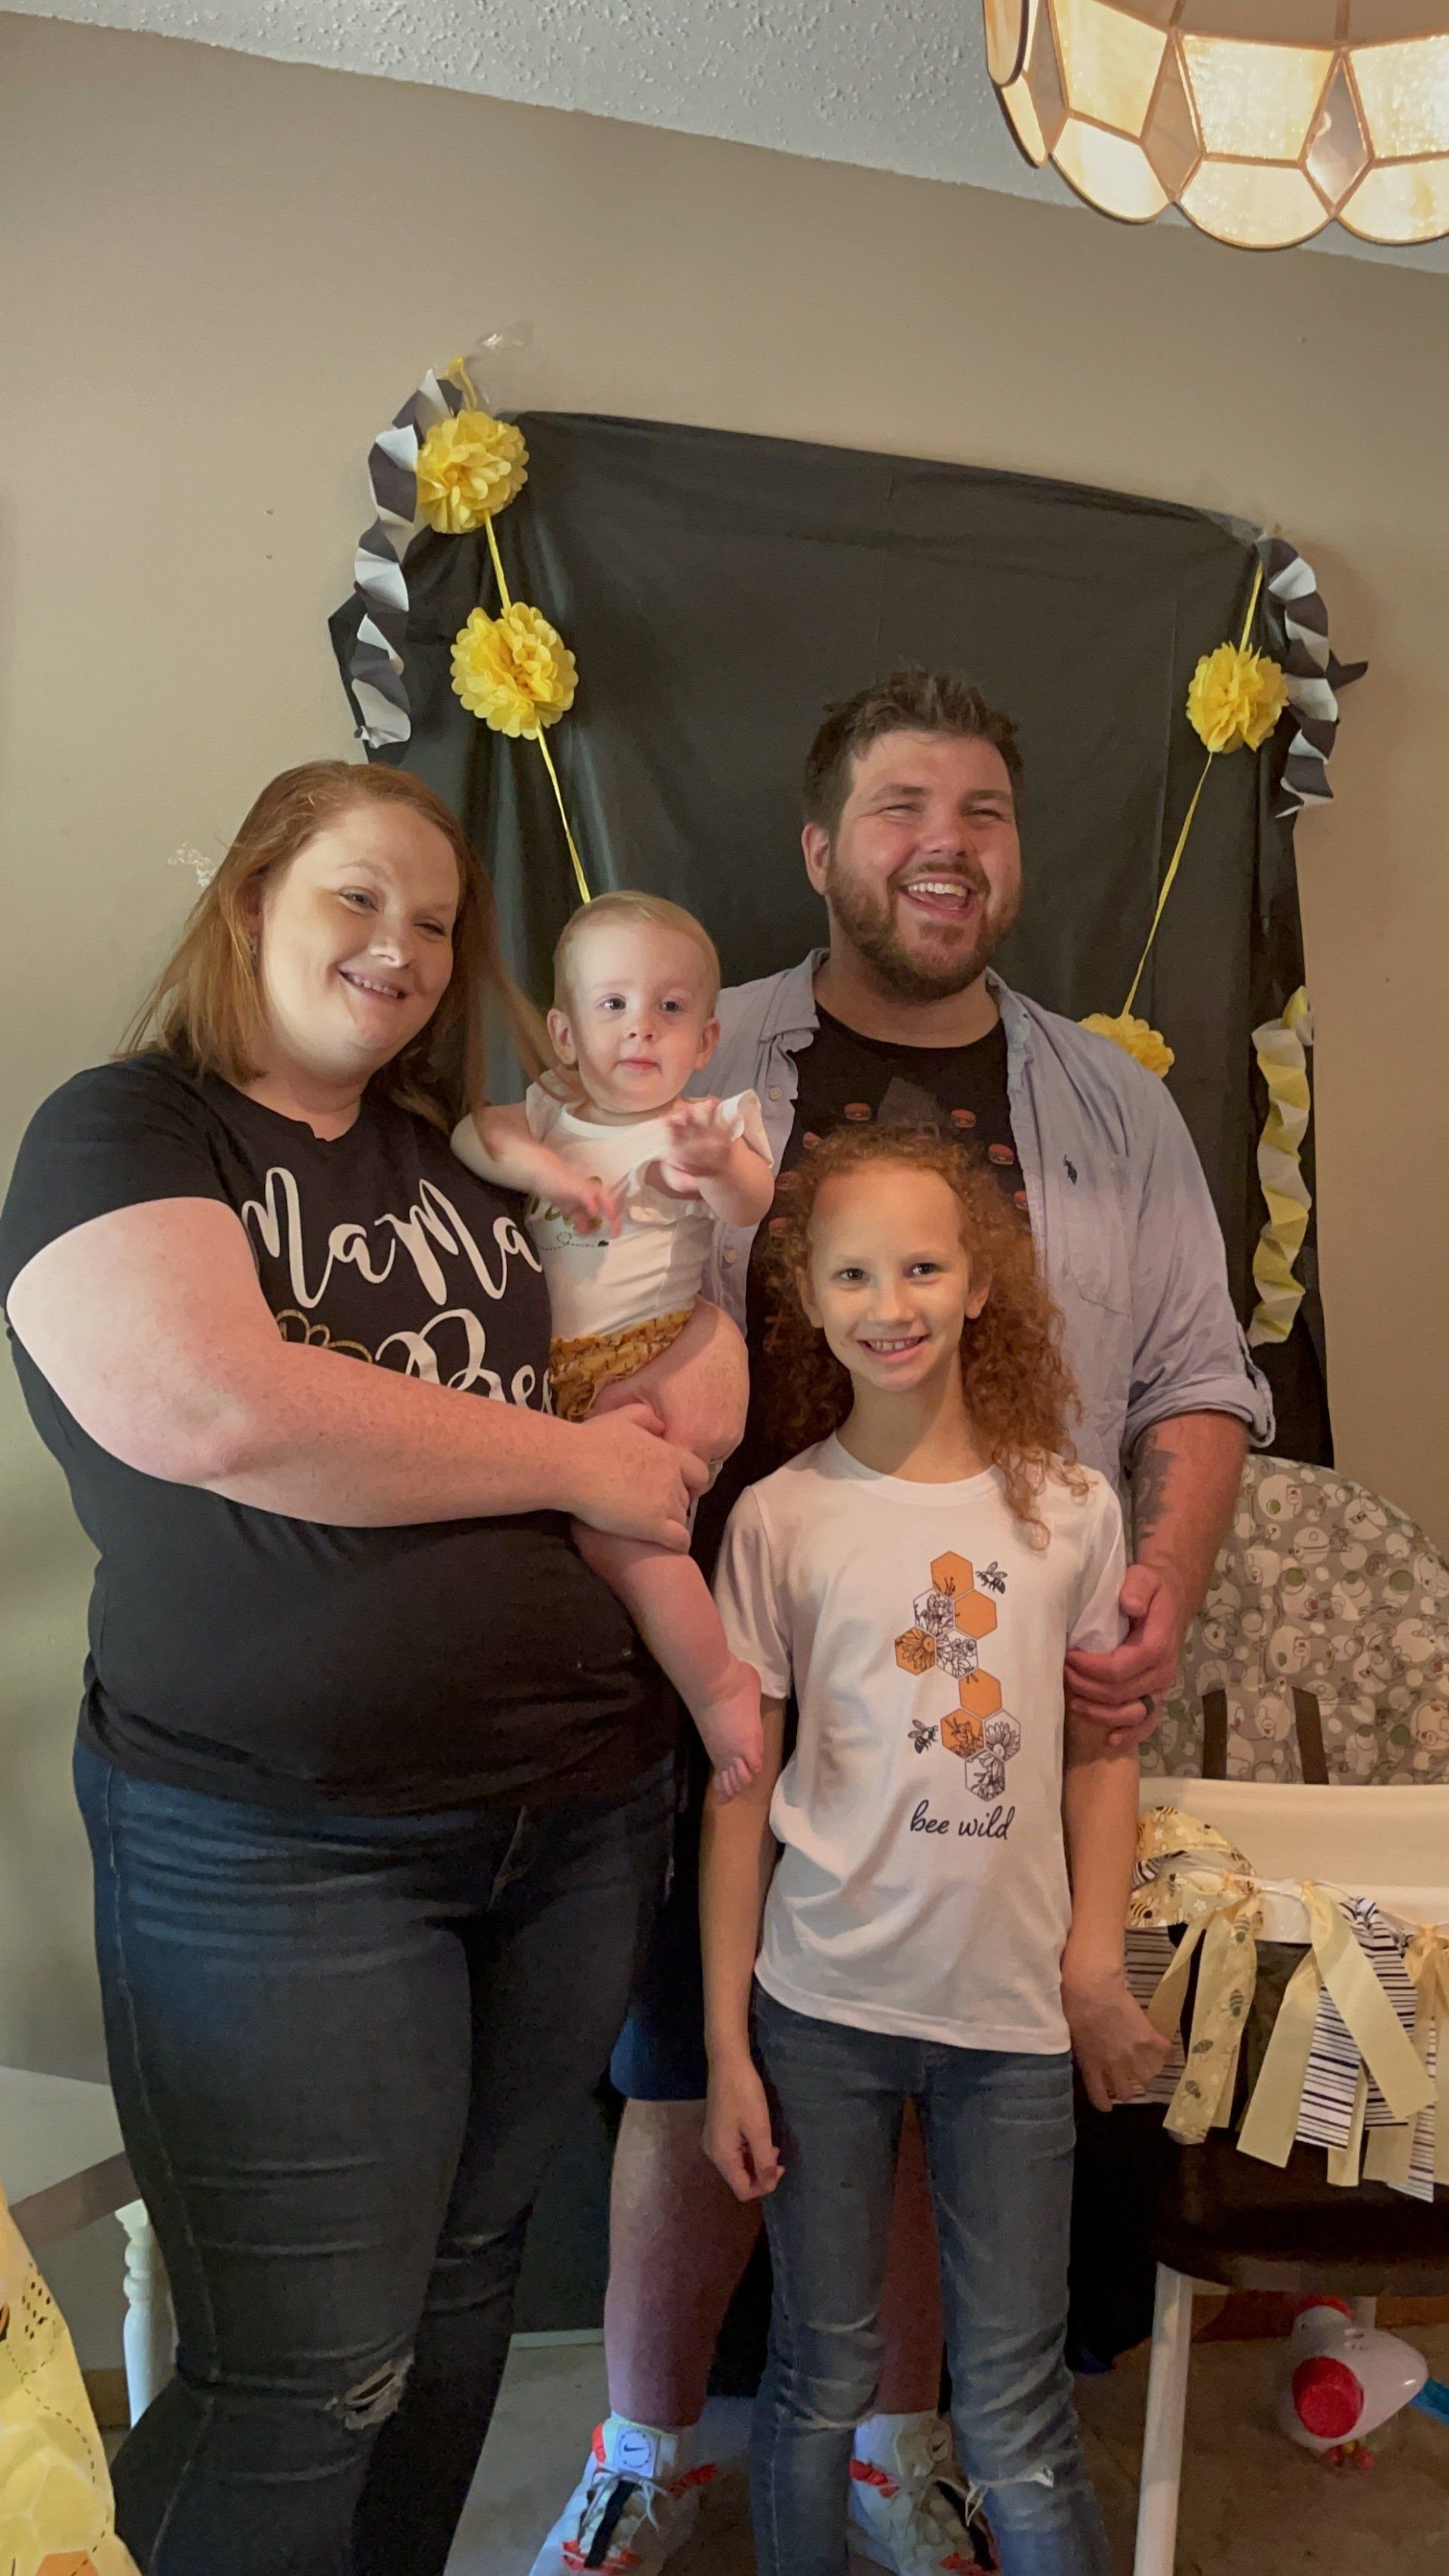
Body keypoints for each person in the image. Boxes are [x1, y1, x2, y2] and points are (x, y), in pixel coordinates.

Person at [535, 669, 1272, 2576]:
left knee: (946, 2059)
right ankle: (642, 2450)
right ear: (819, 847)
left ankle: (899, 2445)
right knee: (686, 2058)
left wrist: (1157, 1583)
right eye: (900, 808)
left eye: (982, 813)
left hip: (982, 1675)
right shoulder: (688, 1047)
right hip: (711, 1651)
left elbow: (1200, 1374)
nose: (945, 846)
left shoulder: (1110, 1102)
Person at [0, 761, 711, 2576]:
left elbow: (636, 1350)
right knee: (304, 2375)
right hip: (278, 1844)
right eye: (356, 896)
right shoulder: (125, 1127)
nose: (402, 946)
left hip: (574, 1816)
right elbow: (214, 1405)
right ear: (251, 900)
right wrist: (574, 1463)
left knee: (465, 2298)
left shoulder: (461, 1151)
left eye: (438, 921)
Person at [703, 1125, 1171, 2576]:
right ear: (808, 1294)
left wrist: (1094, 1962)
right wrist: (725, 2045)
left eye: (921, 1265)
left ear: (979, 1284)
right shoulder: (779, 1519)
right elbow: (739, 1792)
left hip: (1012, 2021)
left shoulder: (1071, 1509)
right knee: (818, 2375)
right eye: (852, 1272)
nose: (888, 1302)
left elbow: (1101, 1750)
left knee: (1017, 2408)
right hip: (820, 2007)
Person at [453, 891, 774, 1799]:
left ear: (705, 1040)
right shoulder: (548, 1113)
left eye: (670, 1008)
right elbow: (474, 1131)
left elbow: (752, 1200)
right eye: (614, 1004)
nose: (642, 1027)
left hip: (647, 1358)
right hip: (544, 1376)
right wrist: (546, 1171)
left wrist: (713, 1165)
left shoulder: (704, 1123)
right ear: (564, 1033)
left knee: (624, 1537)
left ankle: (718, 1684)